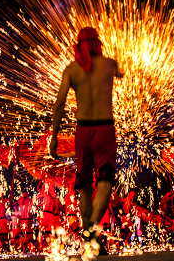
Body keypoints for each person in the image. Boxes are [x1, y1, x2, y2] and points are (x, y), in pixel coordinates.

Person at [50, 27, 123, 255]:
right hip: (104, 129)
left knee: (84, 187)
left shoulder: (71, 70)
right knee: (105, 185)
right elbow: (122, 72)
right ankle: (91, 231)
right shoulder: (109, 65)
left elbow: (59, 103)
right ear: (97, 43)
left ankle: (92, 240)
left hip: (82, 131)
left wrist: (54, 135)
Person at [36, 181, 57, 251]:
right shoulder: (55, 196)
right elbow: (55, 208)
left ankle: (40, 246)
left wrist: (39, 204)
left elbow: (36, 196)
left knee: (41, 231)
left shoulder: (45, 194)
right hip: (52, 215)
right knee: (50, 232)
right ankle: (50, 247)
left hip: (45, 213)